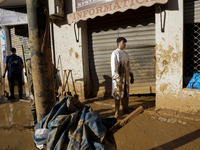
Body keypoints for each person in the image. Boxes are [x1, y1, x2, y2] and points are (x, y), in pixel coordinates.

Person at [111, 37, 134, 118]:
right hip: (118, 78)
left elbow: (128, 66)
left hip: (126, 77)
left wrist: (131, 74)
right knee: (118, 94)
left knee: (125, 93)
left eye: (125, 42)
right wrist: (117, 79)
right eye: (123, 42)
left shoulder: (126, 54)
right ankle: (117, 111)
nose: (124, 44)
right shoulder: (115, 53)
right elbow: (114, 67)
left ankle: (126, 108)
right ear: (118, 43)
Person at [25, 57, 37, 125]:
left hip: (32, 85)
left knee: (33, 103)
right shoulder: (30, 62)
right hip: (35, 85)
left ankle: (35, 122)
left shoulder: (29, 62)